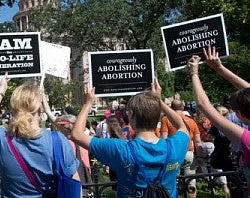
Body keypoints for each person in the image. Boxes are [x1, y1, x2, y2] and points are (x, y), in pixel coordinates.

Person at [72, 79, 189, 197]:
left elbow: (76, 134)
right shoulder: (175, 146)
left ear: (131, 115)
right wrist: (159, 101)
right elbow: (182, 125)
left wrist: (87, 103)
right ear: (158, 116)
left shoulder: (120, 149)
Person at [0, 74, 80, 197]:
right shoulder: (57, 140)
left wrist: (2, 88)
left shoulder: (1, 140)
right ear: (40, 111)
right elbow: (74, 181)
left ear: (12, 111)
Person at [188, 46, 250, 196]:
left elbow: (203, 105)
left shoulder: (247, 139)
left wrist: (194, 73)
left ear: (239, 114)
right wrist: (220, 68)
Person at [160, 99, 203, 198]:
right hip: (189, 153)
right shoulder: (191, 121)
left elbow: (164, 138)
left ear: (171, 107)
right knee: (191, 182)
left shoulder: (166, 119)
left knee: (172, 181)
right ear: (182, 108)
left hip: (173, 153)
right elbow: (197, 141)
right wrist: (201, 157)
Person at [55, 114, 92, 196]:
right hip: (85, 174)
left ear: (65, 128)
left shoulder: (65, 143)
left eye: (59, 128)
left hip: (72, 179)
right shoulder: (83, 139)